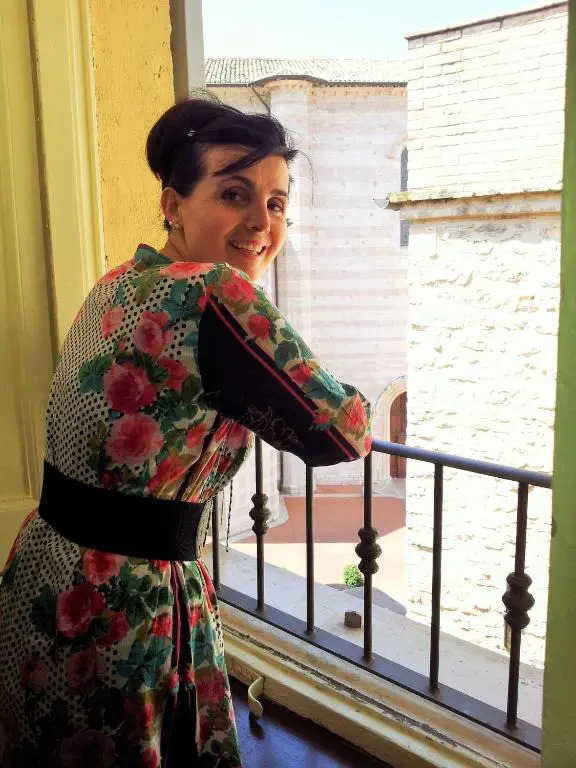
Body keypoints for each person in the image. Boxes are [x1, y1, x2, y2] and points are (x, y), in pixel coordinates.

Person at [0, 95, 371, 767]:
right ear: (173, 204)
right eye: (234, 194)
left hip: (43, 570)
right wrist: (359, 397)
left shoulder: (120, 281)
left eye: (277, 203)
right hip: (125, 604)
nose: (261, 222)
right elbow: (339, 434)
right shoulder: (217, 294)